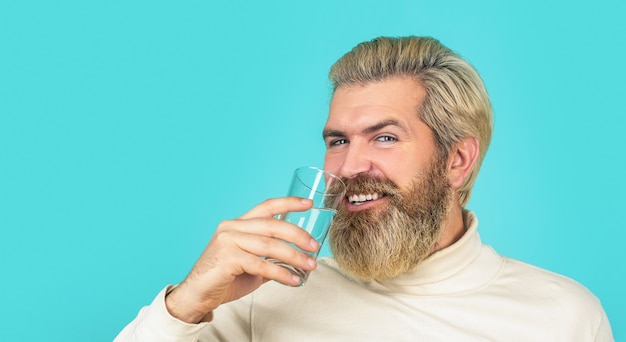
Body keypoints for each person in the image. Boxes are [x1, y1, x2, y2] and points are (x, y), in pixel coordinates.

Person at [115, 36, 613, 341]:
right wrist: (186, 304)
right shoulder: (261, 296)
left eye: (386, 137)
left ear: (457, 161)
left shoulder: (562, 316)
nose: (350, 165)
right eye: (337, 140)